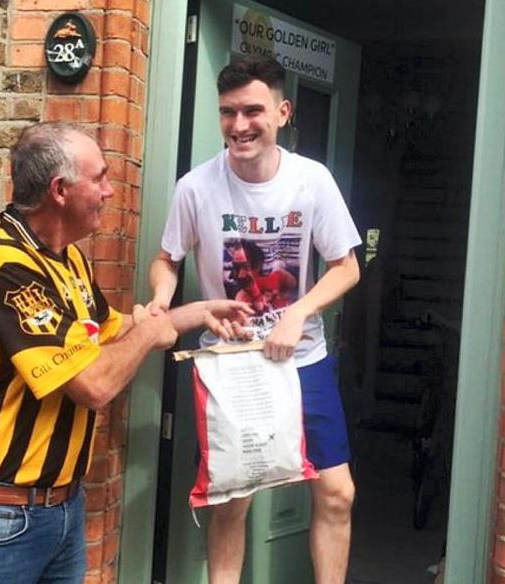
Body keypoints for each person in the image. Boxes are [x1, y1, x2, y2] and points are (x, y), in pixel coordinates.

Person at [0, 122, 250, 584]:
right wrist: (151, 334)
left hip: (62, 506)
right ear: (60, 190)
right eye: (99, 178)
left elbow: (109, 330)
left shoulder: (69, 259)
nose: (109, 191)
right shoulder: (0, 264)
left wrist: (197, 312)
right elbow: (93, 384)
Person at [149, 57, 362, 584]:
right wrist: (160, 299)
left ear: (282, 113)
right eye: (228, 112)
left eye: (252, 111)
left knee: (338, 492)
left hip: (302, 360)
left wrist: (298, 313)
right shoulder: (196, 187)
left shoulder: (311, 181)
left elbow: (346, 267)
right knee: (232, 499)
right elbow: (167, 259)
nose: (239, 125)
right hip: (231, 364)